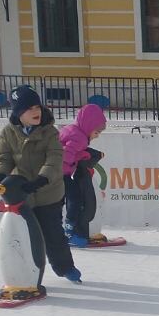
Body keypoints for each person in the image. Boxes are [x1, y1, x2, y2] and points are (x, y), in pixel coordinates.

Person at [0, 85, 80, 284]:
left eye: (37, 107)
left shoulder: (50, 132)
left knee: (53, 235)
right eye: (29, 109)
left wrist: (42, 178)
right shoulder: (8, 133)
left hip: (49, 193)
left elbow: (55, 158)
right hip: (23, 194)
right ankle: (28, 274)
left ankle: (65, 267)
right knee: (25, 237)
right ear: (18, 112)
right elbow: (4, 157)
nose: (35, 111)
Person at [59, 102, 107, 247]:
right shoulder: (80, 138)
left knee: (60, 201)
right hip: (60, 173)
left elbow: (64, 146)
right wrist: (76, 158)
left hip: (55, 171)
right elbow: (66, 153)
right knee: (75, 199)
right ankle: (70, 230)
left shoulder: (71, 129)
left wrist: (81, 154)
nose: (97, 136)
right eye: (96, 132)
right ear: (88, 126)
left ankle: (58, 230)